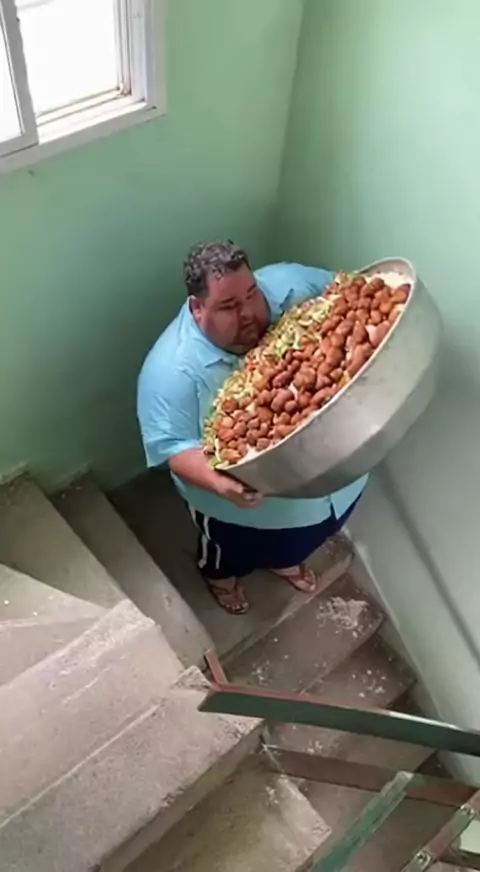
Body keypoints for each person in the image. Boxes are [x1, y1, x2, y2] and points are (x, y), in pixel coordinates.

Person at [137, 241, 367, 615]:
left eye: (252, 293)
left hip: (336, 482)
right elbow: (172, 447)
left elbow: (351, 292)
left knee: (304, 539)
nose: (249, 314)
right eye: (228, 306)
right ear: (197, 308)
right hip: (243, 512)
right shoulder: (169, 372)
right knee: (232, 551)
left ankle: (285, 561)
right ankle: (220, 577)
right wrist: (221, 484)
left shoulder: (291, 283)